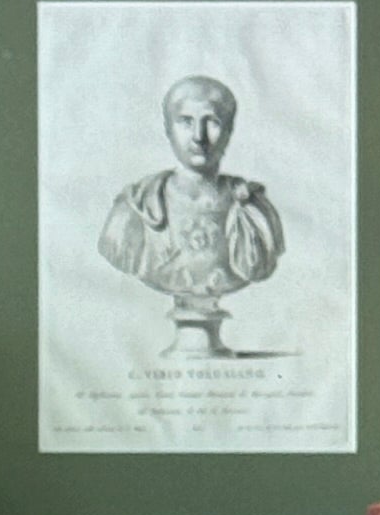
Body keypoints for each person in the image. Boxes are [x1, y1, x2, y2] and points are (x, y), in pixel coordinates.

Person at [97, 75, 285, 355]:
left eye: (212, 121)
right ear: (168, 129)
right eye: (186, 121)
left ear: (230, 129)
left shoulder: (254, 210)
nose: (199, 136)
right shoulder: (134, 208)